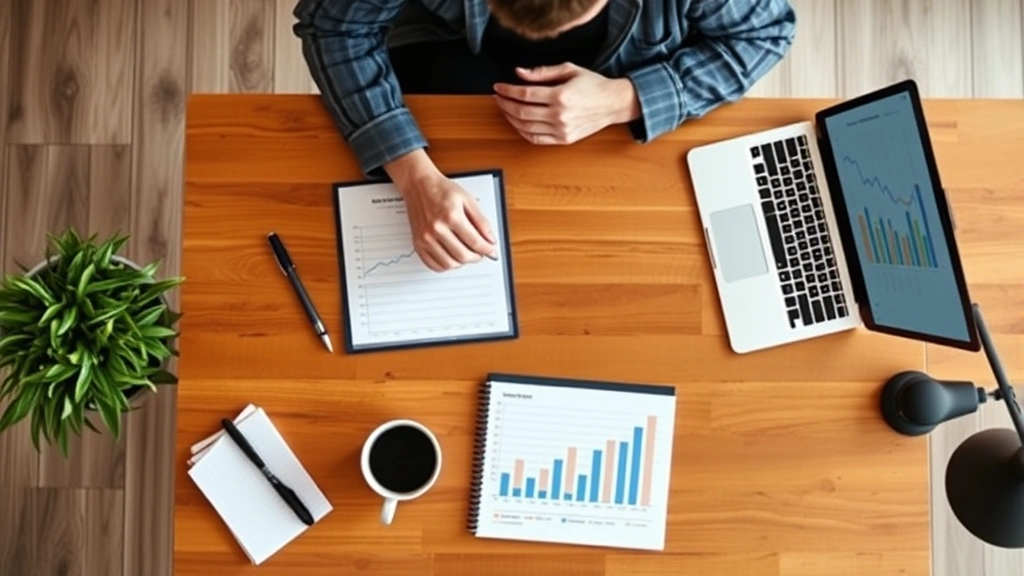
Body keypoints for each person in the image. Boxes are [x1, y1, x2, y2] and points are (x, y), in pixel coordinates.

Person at [295, 0, 796, 272]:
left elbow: (766, 34)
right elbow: (334, 28)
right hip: (449, 48)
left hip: (620, 86)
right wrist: (413, 175)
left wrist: (625, 99)